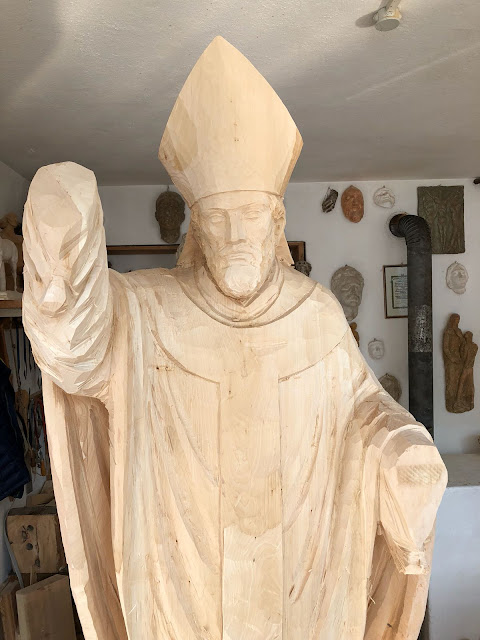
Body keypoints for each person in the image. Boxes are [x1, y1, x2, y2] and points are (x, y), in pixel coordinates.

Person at [22, 37, 446, 640]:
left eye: (250, 215)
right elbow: (76, 353)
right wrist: (66, 239)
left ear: (276, 221)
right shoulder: (147, 310)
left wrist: (404, 450)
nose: (237, 234)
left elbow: (365, 412)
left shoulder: (317, 316)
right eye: (219, 217)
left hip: (302, 589)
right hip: (182, 593)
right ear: (197, 227)